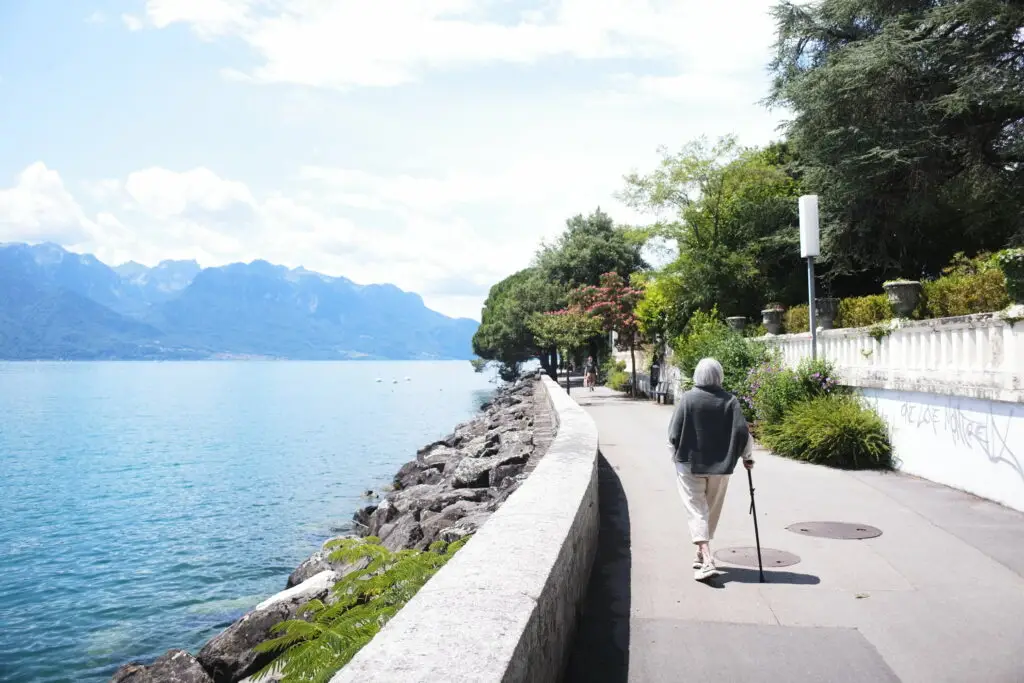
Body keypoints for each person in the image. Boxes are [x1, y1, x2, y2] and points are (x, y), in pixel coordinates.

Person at [667, 357, 754, 581]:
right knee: (710, 510)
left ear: (697, 375)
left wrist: (674, 457)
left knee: (697, 510)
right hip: (721, 467)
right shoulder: (730, 401)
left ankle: (706, 559)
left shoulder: (688, 399)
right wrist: (747, 457)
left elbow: (673, 433)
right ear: (719, 376)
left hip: (689, 464)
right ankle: (702, 552)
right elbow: (743, 433)